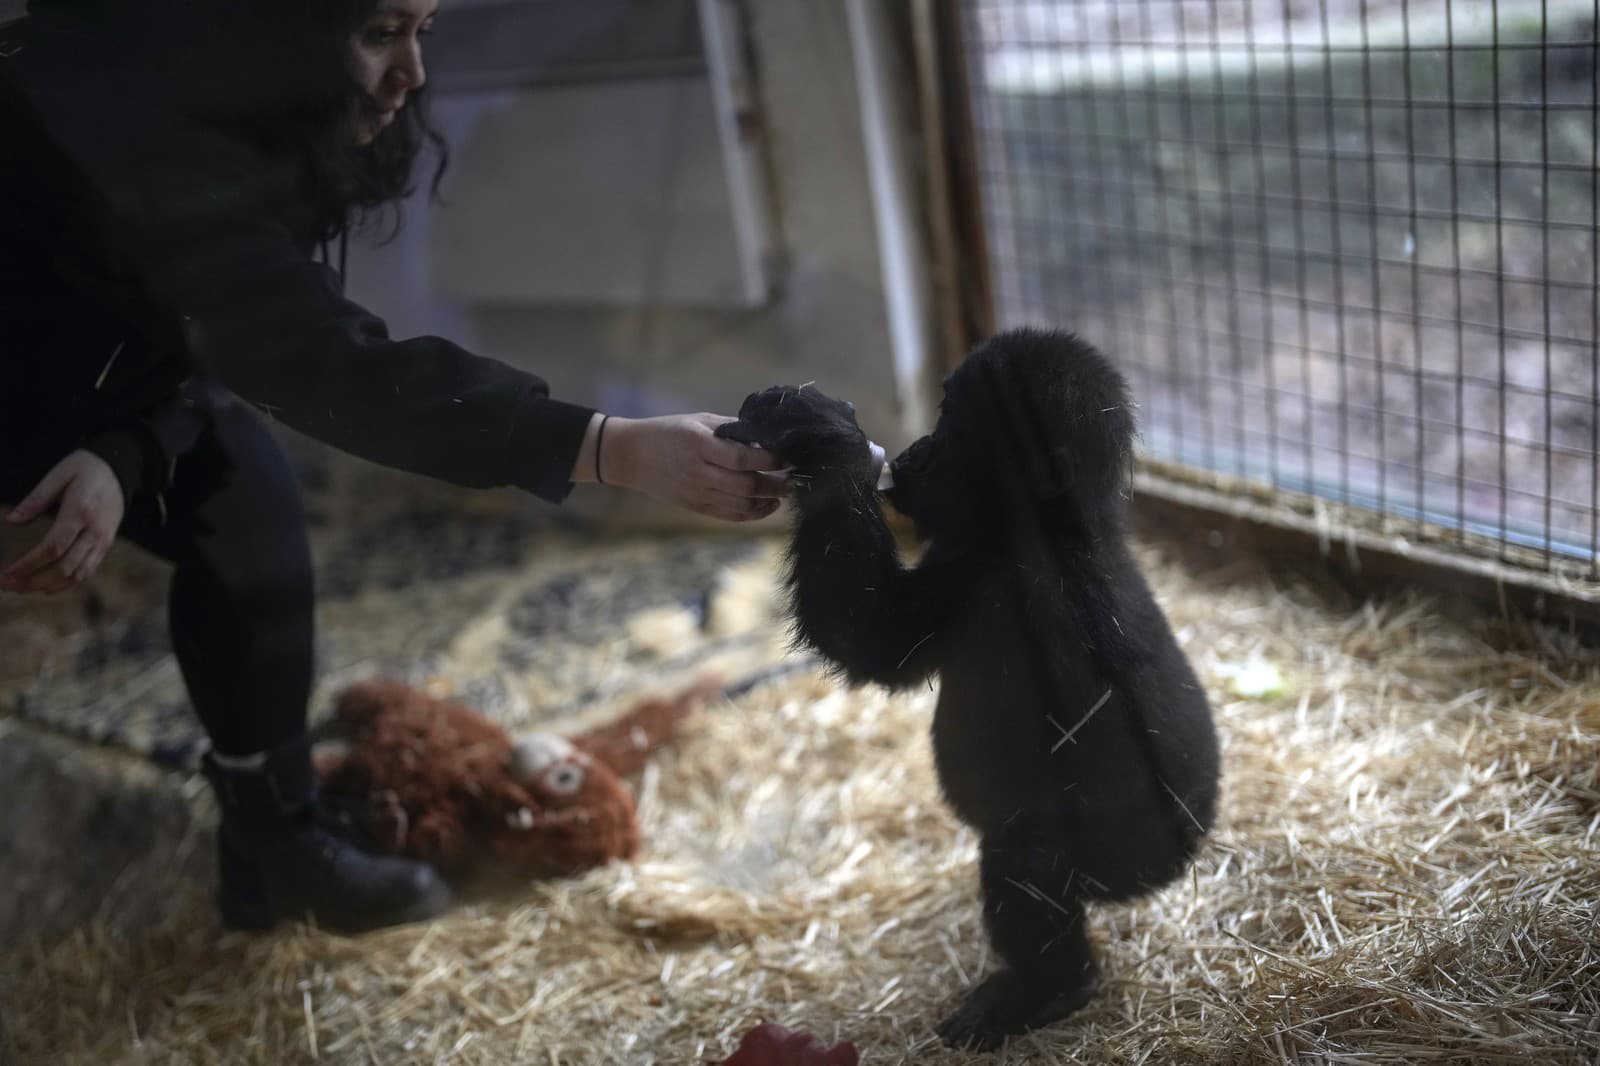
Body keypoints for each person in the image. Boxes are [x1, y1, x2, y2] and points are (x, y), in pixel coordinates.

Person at [0, 0, 789, 933]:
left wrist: (126, 448)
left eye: (425, 29)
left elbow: (207, 334)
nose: (412, 72)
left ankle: (274, 837)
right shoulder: (119, 121)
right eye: (380, 33)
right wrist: (610, 445)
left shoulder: (242, 118)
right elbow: (324, 363)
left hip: (84, 373)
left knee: (246, 495)